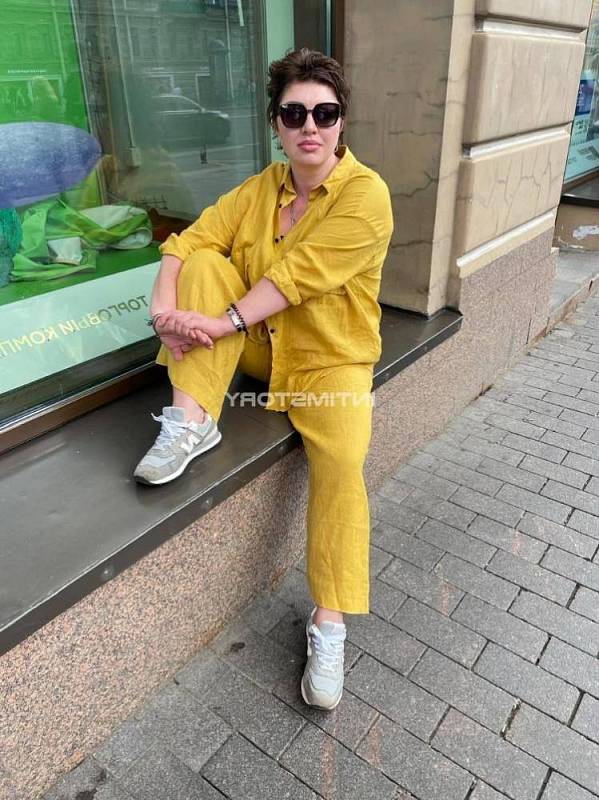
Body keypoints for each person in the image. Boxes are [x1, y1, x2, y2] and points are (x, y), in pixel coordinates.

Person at [134, 48, 393, 710]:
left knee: (341, 464)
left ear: (341, 121)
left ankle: (328, 622)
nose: (310, 126)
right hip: (258, 346)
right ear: (275, 123)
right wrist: (164, 312)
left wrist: (216, 323)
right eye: (294, 113)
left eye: (324, 113)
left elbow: (298, 275)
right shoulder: (261, 188)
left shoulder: (365, 195)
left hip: (330, 360)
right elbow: (187, 241)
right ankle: (192, 422)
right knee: (204, 266)